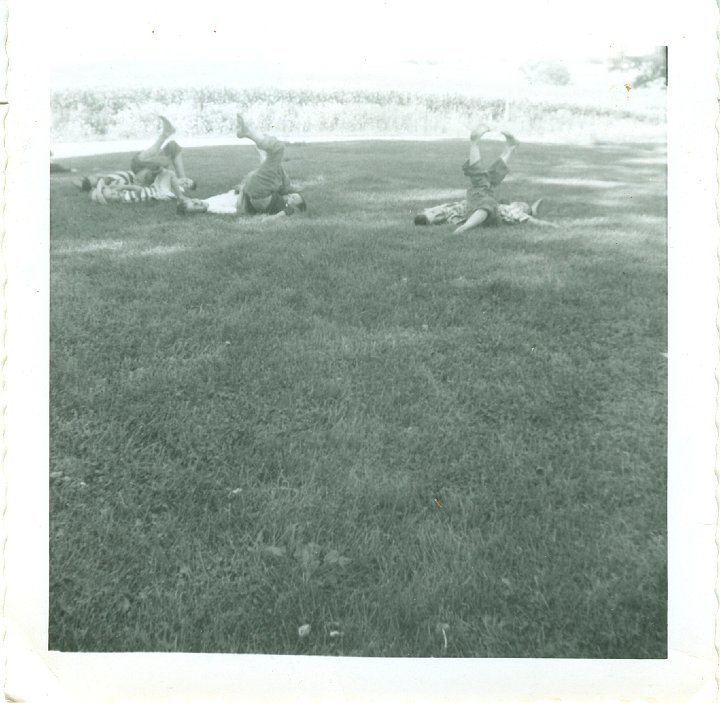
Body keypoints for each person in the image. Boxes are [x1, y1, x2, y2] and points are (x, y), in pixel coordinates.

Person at [414, 125, 557, 232]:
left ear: (428, 209)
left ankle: (508, 148)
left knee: (487, 180)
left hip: (476, 201)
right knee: (482, 187)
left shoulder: (443, 210)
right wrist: (544, 220)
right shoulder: (511, 212)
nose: (438, 214)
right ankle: (476, 142)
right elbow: (531, 220)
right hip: (481, 206)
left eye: (433, 212)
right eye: (437, 218)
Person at [176, 114, 306, 217]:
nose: (197, 203)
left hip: (257, 193)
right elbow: (237, 210)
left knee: (274, 166)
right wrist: (244, 190)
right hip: (255, 194)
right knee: (277, 150)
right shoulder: (212, 208)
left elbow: (229, 197)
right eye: (196, 207)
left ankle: (284, 183)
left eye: (193, 202)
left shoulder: (208, 201)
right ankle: (249, 134)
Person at [76, 116, 197, 193]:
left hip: (147, 175)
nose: (185, 181)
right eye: (188, 181)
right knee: (171, 147)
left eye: (185, 183)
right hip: (150, 175)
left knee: (140, 161)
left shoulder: (175, 188)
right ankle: (165, 134)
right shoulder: (107, 184)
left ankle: (165, 134)